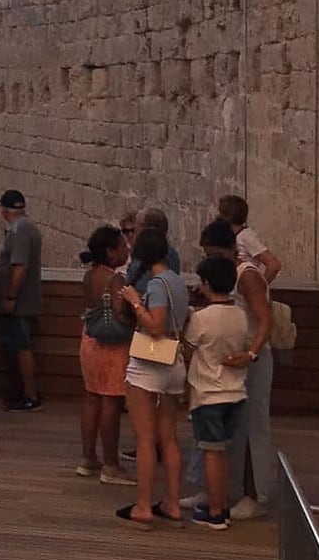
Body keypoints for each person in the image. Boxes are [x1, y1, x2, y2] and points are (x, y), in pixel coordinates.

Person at [186, 219, 273, 521]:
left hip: (251, 357)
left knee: (252, 427)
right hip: (231, 357)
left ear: (230, 250)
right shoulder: (227, 276)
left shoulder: (247, 276)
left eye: (214, 255)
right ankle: (221, 491)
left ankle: (256, 493)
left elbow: (264, 318)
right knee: (227, 430)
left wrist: (250, 353)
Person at [115, 228, 190, 529]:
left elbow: (155, 326)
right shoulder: (177, 282)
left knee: (145, 439)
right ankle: (172, 502)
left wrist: (135, 301)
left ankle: (144, 505)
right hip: (173, 361)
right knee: (168, 438)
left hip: (149, 363)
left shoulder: (157, 285)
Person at [182, 255, 253, 531]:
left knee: (210, 452)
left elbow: (188, 347)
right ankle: (221, 502)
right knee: (222, 452)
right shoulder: (240, 316)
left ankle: (215, 512)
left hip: (208, 394)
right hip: (236, 392)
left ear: (206, 284)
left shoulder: (201, 318)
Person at [76, 225, 134, 485]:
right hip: (112, 346)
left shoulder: (89, 276)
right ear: (111, 253)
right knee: (111, 400)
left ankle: (89, 458)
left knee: (92, 397)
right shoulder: (115, 279)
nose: (127, 249)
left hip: (90, 340)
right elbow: (121, 313)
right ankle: (111, 463)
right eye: (123, 246)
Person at [0, 189, 43, 410]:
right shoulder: (25, 227)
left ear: (4, 209)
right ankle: (23, 392)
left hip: (20, 303)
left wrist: (11, 296)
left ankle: (30, 395)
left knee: (22, 346)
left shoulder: (20, 230)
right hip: (22, 301)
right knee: (18, 346)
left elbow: (20, 266)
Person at [217, 194, 282, 286]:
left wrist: (259, 287)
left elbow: (274, 265)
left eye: (220, 212)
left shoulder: (246, 236)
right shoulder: (228, 235)